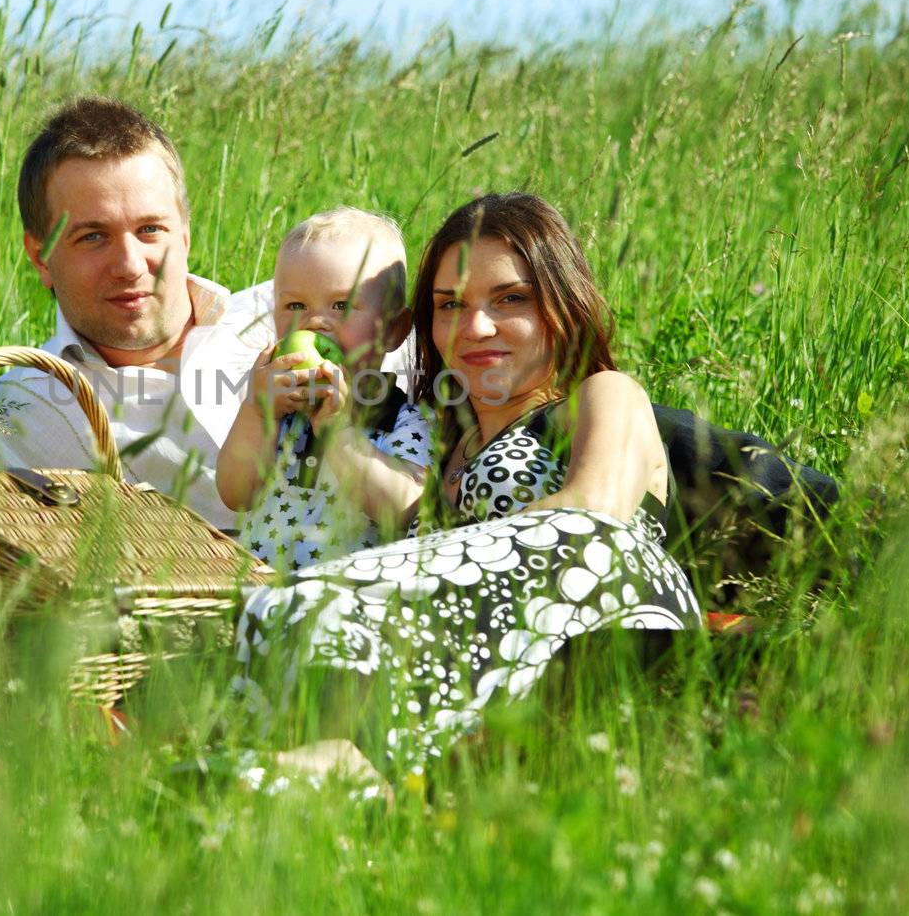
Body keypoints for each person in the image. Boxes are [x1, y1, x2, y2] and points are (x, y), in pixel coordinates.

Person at [234, 193, 704, 776]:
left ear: (562, 301)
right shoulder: (431, 442)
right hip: (480, 662)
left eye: (511, 298)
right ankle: (357, 771)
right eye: (450, 304)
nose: (476, 326)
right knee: (283, 626)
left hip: (602, 617)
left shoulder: (600, 395)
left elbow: (592, 516)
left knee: (307, 604)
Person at [0, 97, 272, 530]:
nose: (129, 265)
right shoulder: (26, 412)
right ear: (41, 257)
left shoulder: (289, 314)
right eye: (93, 237)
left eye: (149, 230)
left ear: (183, 235)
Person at [216, 208, 433, 571]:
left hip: (347, 605)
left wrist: (339, 433)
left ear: (395, 330)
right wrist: (256, 412)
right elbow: (235, 495)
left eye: (342, 305)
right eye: (295, 305)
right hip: (261, 594)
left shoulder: (403, 420)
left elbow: (404, 510)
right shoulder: (279, 413)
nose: (315, 322)